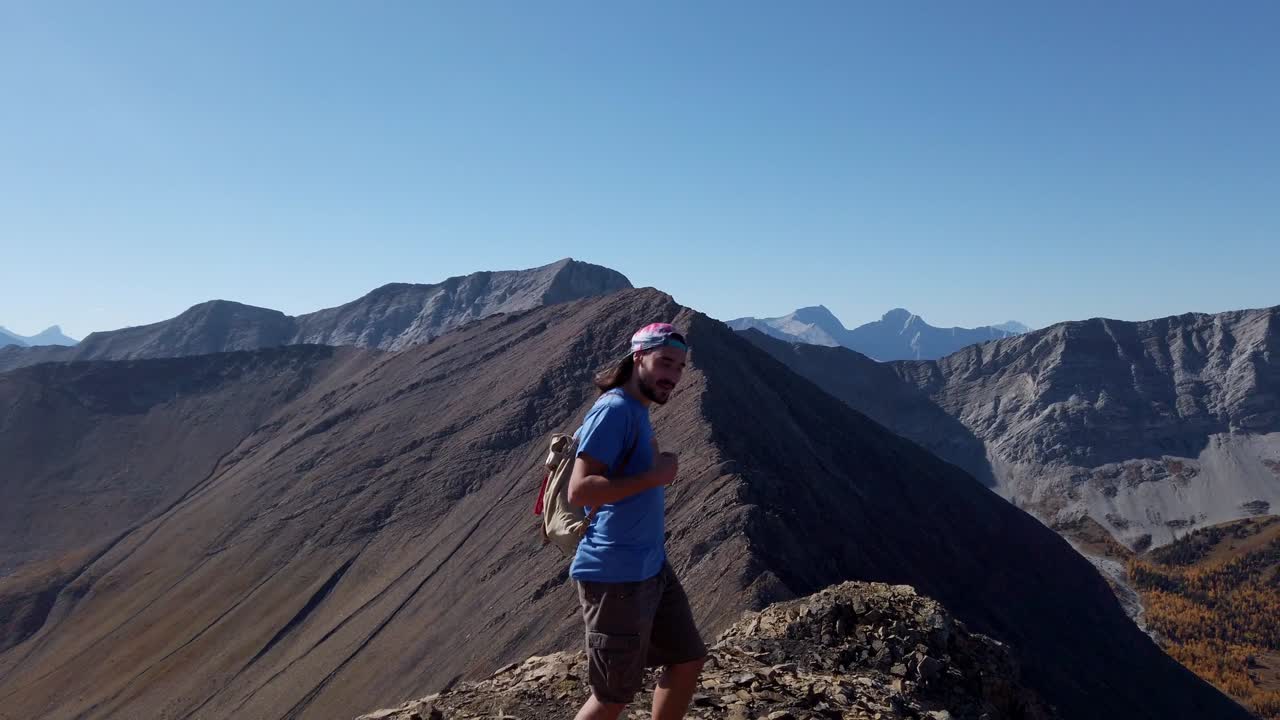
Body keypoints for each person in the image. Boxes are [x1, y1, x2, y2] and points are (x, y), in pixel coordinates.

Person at [567, 322, 707, 720]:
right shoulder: (614, 411)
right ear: (638, 357)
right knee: (613, 695)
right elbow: (580, 490)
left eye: (680, 367)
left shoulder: (636, 410)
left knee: (687, 659)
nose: (673, 376)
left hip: (651, 566)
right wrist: (655, 476)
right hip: (616, 575)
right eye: (665, 362)